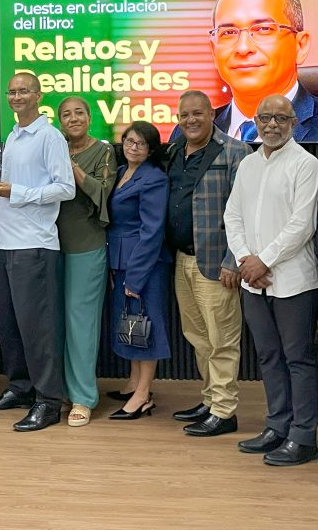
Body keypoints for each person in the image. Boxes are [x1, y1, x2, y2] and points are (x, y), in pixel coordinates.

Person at [224, 95, 318, 466]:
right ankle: (277, 426)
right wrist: (245, 260)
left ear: (294, 122)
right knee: (268, 356)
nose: (272, 124)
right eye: (265, 118)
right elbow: (232, 216)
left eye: (280, 117)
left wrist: (263, 261)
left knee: (298, 359)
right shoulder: (247, 164)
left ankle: (303, 436)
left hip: (294, 281)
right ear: (256, 122)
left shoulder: (306, 164)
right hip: (253, 280)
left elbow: (302, 225)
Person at [0, 73, 75, 432]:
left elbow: (65, 188)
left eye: (23, 91)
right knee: (9, 325)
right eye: (12, 91)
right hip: (2, 242)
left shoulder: (50, 137)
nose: (16, 96)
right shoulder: (11, 136)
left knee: (38, 329)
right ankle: (20, 388)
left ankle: (48, 401)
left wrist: (18, 193)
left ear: (38, 95)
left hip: (34, 244)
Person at [166, 90, 250, 437]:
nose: (191, 120)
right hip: (182, 260)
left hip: (218, 263)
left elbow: (246, 213)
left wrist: (233, 260)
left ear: (212, 114)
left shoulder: (235, 151)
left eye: (198, 113)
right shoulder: (174, 152)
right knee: (198, 337)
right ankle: (211, 399)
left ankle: (225, 412)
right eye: (184, 115)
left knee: (222, 340)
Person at [56, 97, 117, 427]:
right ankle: (64, 390)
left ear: (90, 117)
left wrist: (72, 167)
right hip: (51, 246)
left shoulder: (103, 151)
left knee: (81, 324)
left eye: (79, 112)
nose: (73, 118)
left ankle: (83, 397)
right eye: (66, 115)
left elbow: (103, 193)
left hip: (87, 247)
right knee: (58, 322)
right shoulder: (54, 148)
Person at [106, 121, 171, 421]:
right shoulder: (121, 172)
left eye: (141, 143)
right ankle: (134, 383)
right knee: (131, 323)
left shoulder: (154, 178)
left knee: (147, 325)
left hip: (144, 265)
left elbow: (152, 231)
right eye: (129, 141)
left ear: (151, 149)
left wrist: (136, 275)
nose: (133, 147)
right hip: (121, 260)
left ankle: (143, 395)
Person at [209, 0, 318, 141]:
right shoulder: (187, 134)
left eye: (263, 29)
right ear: (214, 52)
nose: (243, 48)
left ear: (300, 46)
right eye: (229, 32)